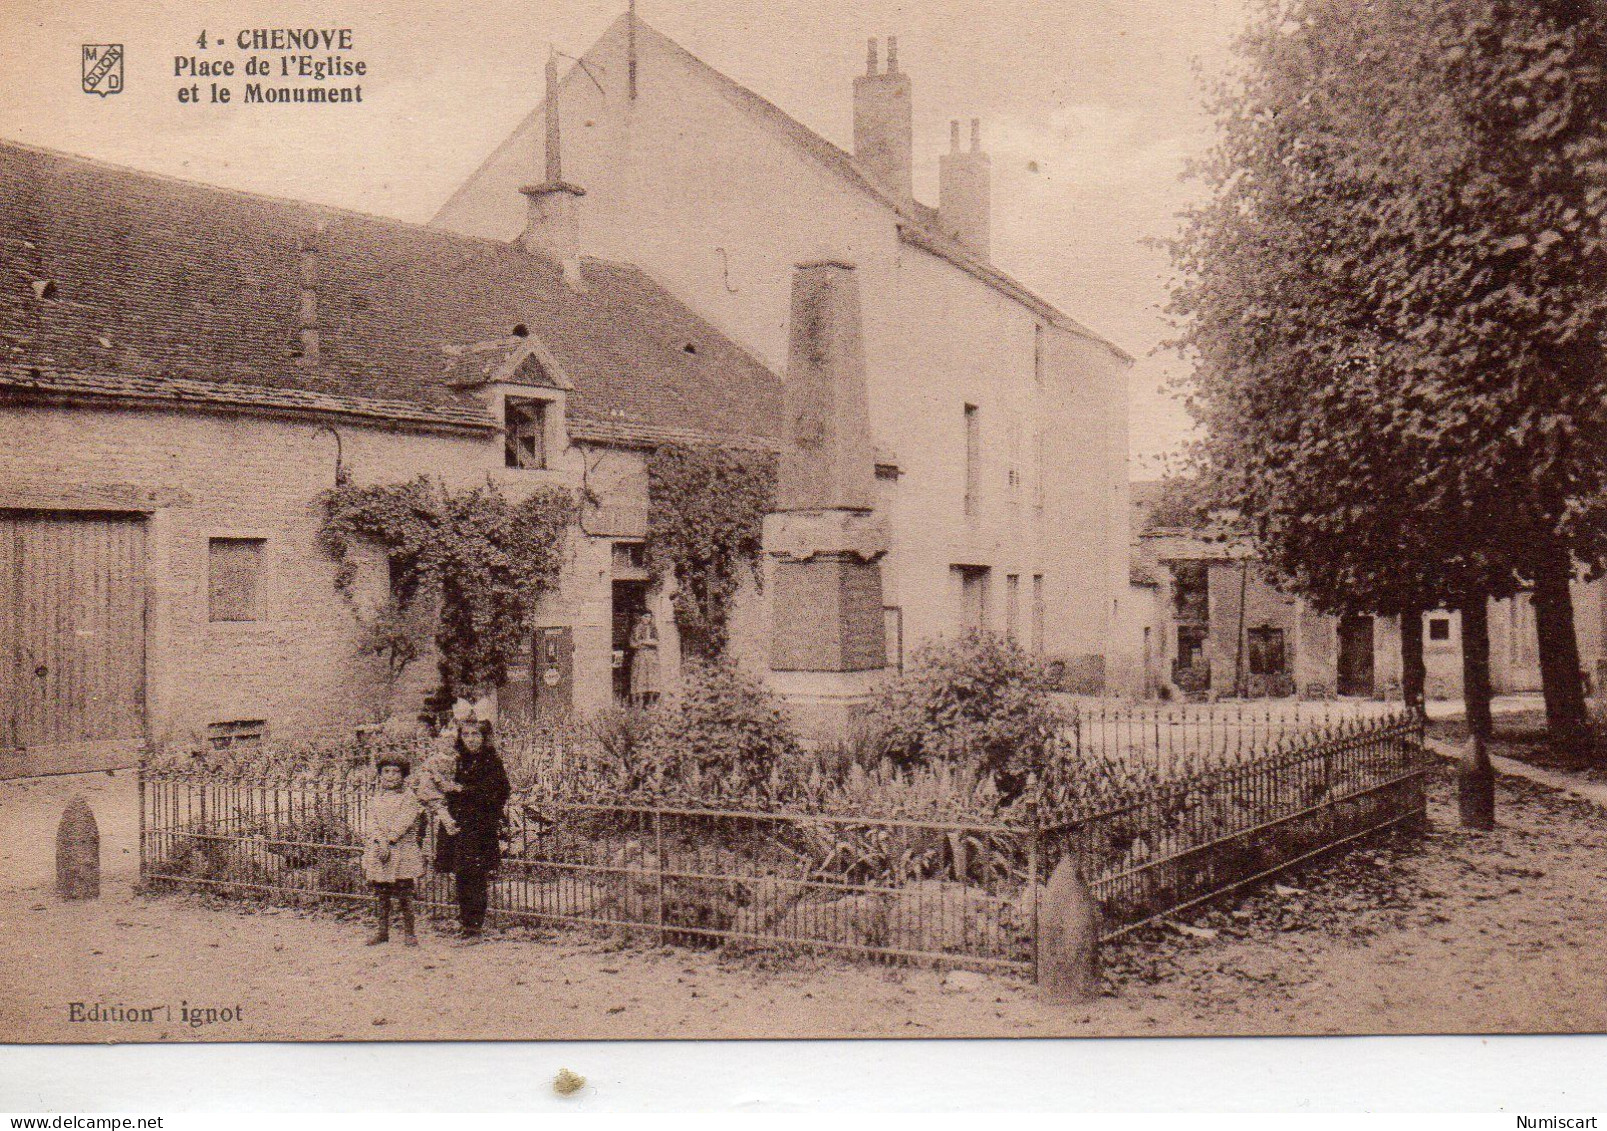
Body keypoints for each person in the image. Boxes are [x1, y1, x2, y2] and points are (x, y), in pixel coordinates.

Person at [442, 718, 510, 941]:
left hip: (479, 826)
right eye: (466, 735)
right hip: (459, 824)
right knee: (461, 874)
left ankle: (475, 926)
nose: (471, 739)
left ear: (483, 737)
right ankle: (465, 922)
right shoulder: (457, 761)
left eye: (475, 735)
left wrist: (464, 790)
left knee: (476, 875)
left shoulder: (491, 761)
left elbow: (499, 792)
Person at [361, 753, 424, 947]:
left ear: (403, 775)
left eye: (396, 772)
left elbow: (404, 822)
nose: (391, 776)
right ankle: (382, 931)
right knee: (382, 892)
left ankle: (410, 933)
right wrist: (380, 841)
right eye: (386, 771)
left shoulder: (409, 798)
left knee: (404, 891)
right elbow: (371, 821)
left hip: (402, 850)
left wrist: (389, 839)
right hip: (381, 852)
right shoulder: (375, 798)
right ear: (380, 774)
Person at [628, 610, 660, 707]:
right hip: (640, 655)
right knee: (639, 677)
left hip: (651, 656)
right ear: (641, 617)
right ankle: (638, 703)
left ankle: (651, 702)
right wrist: (639, 644)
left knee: (651, 678)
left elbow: (656, 641)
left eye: (649, 617)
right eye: (645, 616)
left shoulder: (653, 628)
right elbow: (632, 643)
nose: (647, 619)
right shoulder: (636, 628)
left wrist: (644, 642)